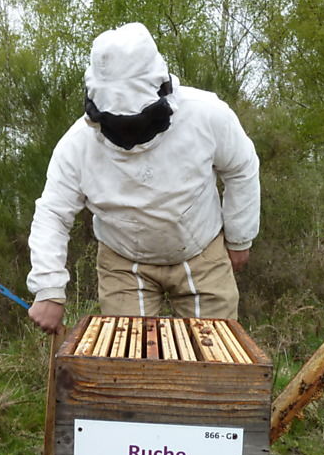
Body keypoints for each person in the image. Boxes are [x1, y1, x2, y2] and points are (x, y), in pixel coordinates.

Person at [26, 22, 260, 334]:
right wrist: (48, 289)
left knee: (213, 351)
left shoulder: (207, 114)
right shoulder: (77, 145)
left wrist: (240, 237)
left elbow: (241, 167)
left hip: (201, 251)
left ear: (162, 91)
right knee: (130, 356)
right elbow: (53, 213)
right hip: (123, 263)